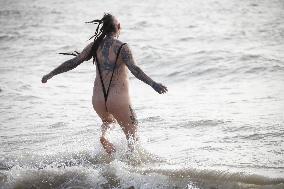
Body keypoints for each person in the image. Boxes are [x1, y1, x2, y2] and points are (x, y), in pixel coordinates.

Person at [41, 13, 168, 154]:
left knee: (109, 122)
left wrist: (51, 74)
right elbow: (135, 70)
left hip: (98, 100)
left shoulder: (94, 46)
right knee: (133, 138)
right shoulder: (122, 47)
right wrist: (153, 84)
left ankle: (104, 136)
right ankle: (132, 169)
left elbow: (73, 62)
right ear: (118, 27)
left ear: (104, 28)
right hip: (118, 99)